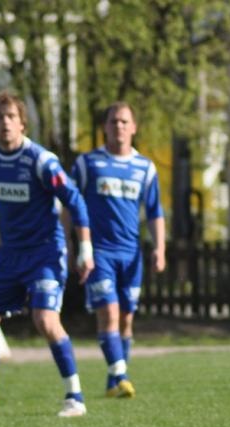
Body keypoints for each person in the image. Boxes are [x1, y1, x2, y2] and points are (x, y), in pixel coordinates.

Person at [0, 91, 93, 418]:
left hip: (44, 252)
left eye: (11, 117)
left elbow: (74, 200)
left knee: (45, 320)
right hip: (9, 255)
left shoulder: (40, 160)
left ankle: (75, 397)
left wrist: (85, 249)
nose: (5, 123)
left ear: (22, 123)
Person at [70, 102, 166, 397]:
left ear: (134, 127)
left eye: (124, 121)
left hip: (131, 254)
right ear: (105, 127)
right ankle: (121, 375)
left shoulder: (145, 167)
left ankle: (113, 383)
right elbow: (69, 204)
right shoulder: (88, 164)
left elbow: (154, 212)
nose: (119, 127)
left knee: (126, 319)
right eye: (113, 121)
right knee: (109, 314)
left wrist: (160, 248)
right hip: (99, 252)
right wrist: (72, 246)